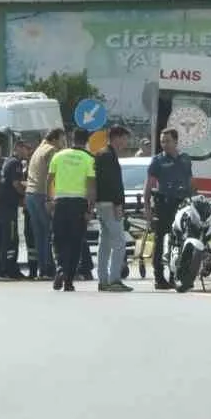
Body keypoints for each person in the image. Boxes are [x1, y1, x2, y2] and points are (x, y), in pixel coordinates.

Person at [145, 127, 196, 290]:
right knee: (161, 241)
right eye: (162, 141)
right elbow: (149, 186)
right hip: (163, 204)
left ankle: (176, 275)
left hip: (182, 204)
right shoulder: (157, 161)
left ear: (176, 141)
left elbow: (190, 181)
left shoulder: (185, 159)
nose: (164, 144)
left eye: (167, 141)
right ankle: (159, 278)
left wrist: (195, 199)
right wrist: (147, 209)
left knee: (181, 240)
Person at [46, 130, 96, 291]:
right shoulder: (89, 158)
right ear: (87, 141)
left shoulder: (58, 156)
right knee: (76, 242)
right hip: (79, 204)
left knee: (59, 239)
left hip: (60, 202)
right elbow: (91, 185)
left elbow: (49, 179)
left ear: (71, 139)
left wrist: (49, 199)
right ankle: (68, 281)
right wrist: (90, 208)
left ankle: (60, 268)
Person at [94, 124, 133, 293]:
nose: (126, 142)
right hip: (110, 204)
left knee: (105, 244)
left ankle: (103, 280)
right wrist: (118, 204)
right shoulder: (108, 156)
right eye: (125, 138)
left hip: (101, 203)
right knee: (119, 242)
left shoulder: (102, 154)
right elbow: (112, 183)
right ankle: (114, 279)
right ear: (116, 138)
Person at [25, 128, 61, 280]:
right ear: (55, 139)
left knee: (39, 234)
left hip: (30, 194)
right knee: (47, 232)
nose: (62, 144)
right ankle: (49, 268)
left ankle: (43, 269)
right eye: (62, 140)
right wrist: (52, 198)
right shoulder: (51, 150)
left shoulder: (38, 149)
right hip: (42, 194)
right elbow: (53, 175)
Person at [0, 140, 30, 279]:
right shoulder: (15, 163)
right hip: (8, 207)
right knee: (11, 239)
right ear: (18, 148)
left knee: (7, 238)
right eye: (26, 148)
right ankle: (9, 269)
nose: (28, 151)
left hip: (3, 206)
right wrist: (28, 194)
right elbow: (16, 184)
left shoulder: (8, 161)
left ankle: (5, 268)